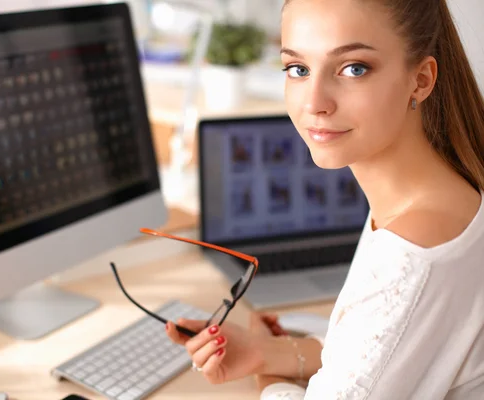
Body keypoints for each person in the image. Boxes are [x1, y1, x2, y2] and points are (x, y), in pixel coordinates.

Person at [165, 0, 484, 398]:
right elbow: (397, 350)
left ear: (421, 79)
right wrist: (269, 353)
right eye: (298, 69)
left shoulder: (412, 250)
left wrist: (269, 380)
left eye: (354, 68)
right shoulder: (445, 195)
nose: (315, 102)